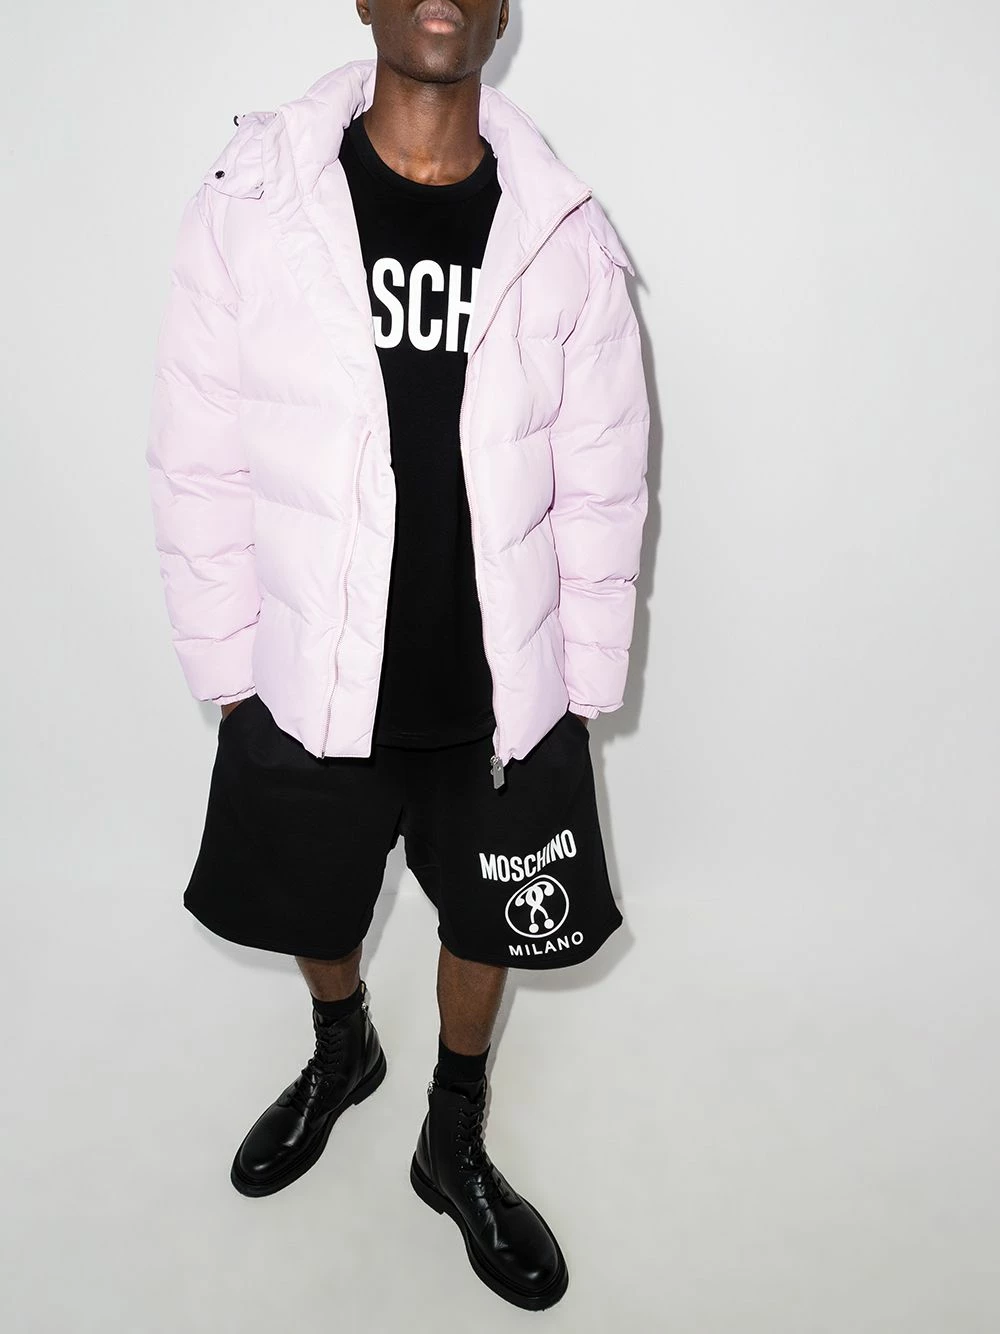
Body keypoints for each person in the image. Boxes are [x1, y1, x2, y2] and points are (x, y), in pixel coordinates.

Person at [145, 0, 649, 1311]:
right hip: (311, 667)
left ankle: (452, 1132)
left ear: (502, 10)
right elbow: (199, 447)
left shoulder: (562, 232)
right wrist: (230, 668)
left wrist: (584, 681)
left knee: (492, 912)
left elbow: (605, 477)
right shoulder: (256, 204)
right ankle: (342, 1048)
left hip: (501, 681)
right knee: (311, 900)